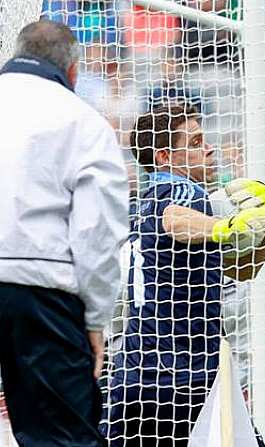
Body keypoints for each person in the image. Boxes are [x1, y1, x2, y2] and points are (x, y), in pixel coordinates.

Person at [104, 104, 265, 446]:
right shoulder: (182, 191)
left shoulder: (147, 200)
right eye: (197, 141)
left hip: (143, 371)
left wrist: (264, 229)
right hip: (181, 372)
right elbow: (175, 220)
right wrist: (227, 226)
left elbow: (241, 270)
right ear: (165, 156)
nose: (209, 147)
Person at [0, 20, 129, 445]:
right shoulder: (84, 123)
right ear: (74, 72)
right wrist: (95, 320)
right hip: (41, 288)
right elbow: (98, 233)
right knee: (63, 439)